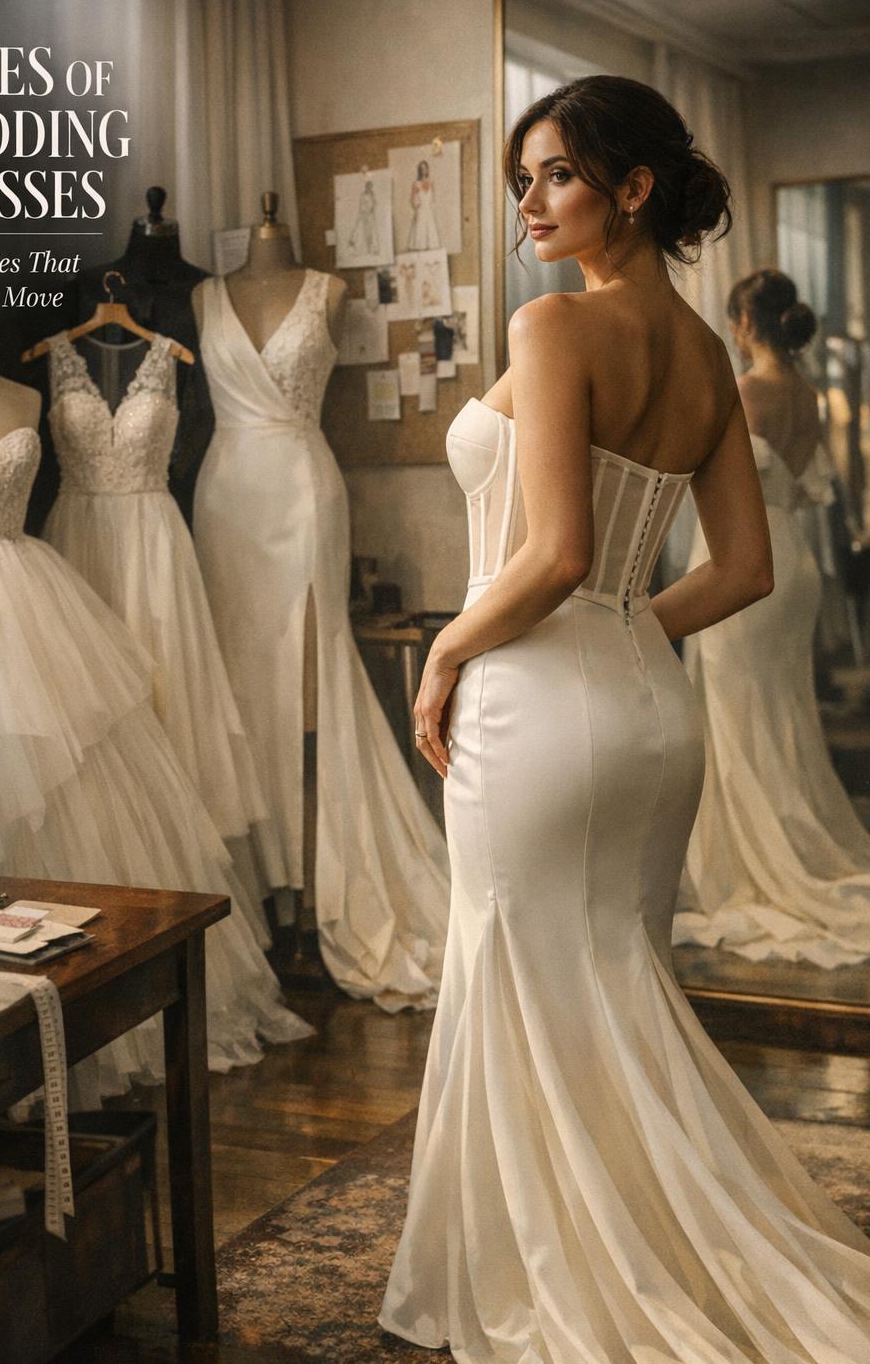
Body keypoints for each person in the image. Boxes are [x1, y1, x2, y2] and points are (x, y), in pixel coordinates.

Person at [379, 75, 870, 1361]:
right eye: (521, 180)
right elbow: (742, 571)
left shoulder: (554, 331)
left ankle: (559, 1265)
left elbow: (548, 556)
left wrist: (442, 654)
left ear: (631, 189)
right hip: (648, 707)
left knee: (518, 969)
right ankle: (644, 1235)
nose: (528, 203)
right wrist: (621, 639)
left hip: (537, 701)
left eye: (555, 175)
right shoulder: (709, 356)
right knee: (610, 979)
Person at [674, 269, 870, 968]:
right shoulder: (810, 396)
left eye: (732, 323)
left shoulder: (748, 390)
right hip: (792, 561)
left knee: (736, 712)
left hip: (741, 561)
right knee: (781, 713)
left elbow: (700, 471)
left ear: (746, 325)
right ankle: (786, 839)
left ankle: (751, 861)